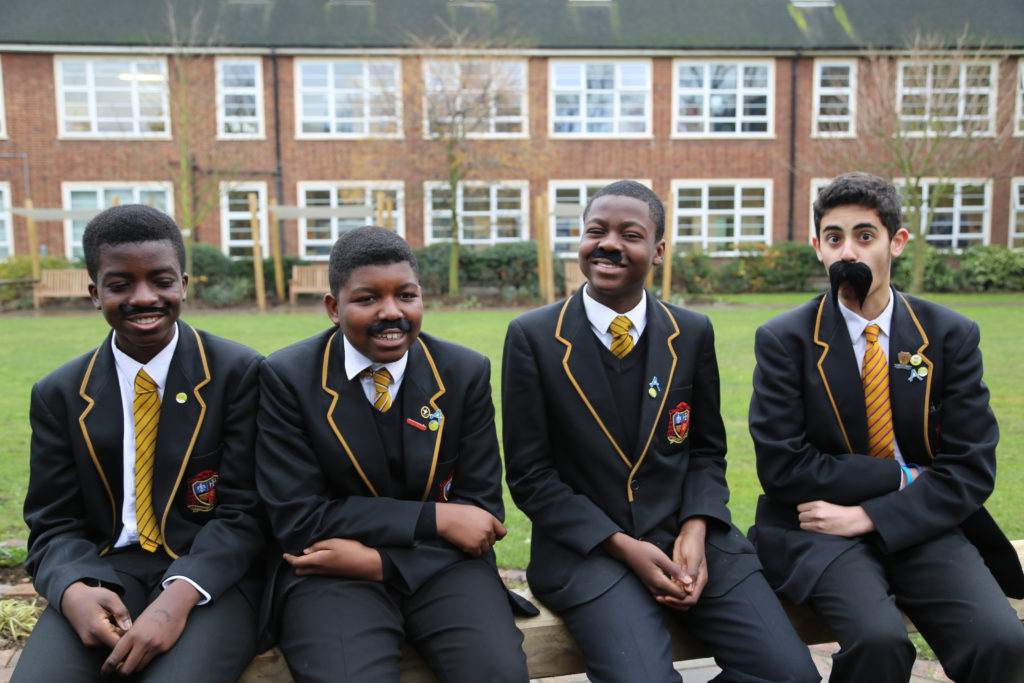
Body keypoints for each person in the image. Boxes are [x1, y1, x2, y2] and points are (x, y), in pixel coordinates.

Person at [502, 180, 819, 683]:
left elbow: (708, 451)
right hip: (589, 551)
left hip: (689, 539)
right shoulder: (534, 338)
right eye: (595, 231)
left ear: (659, 250)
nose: (608, 243)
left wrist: (696, 527)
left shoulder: (691, 332)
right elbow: (530, 476)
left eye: (630, 234)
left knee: (790, 674)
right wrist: (622, 544)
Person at [748, 172, 1024, 682]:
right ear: (817, 248)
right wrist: (904, 477)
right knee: (879, 642)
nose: (847, 251)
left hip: (923, 523)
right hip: (819, 529)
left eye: (864, 236)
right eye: (834, 238)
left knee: (1001, 640)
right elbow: (784, 466)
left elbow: (969, 466)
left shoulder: (948, 336)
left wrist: (872, 515)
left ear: (895, 243)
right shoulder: (785, 339)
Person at [256, 225, 531, 683]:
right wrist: (437, 519)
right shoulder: (287, 378)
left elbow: (480, 514)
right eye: (367, 299)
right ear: (333, 307)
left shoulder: (463, 373)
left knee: (496, 673)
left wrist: (380, 562)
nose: (391, 312)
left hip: (442, 567)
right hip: (331, 574)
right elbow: (299, 518)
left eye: (406, 295)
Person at [16, 204, 265, 681]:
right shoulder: (61, 394)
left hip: (211, 574)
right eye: (120, 285)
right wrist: (74, 590)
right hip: (107, 570)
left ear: (184, 284)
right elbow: (52, 523)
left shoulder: (239, 374)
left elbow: (247, 512)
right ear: (95, 293)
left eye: (161, 280)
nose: (144, 297)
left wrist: (178, 597)